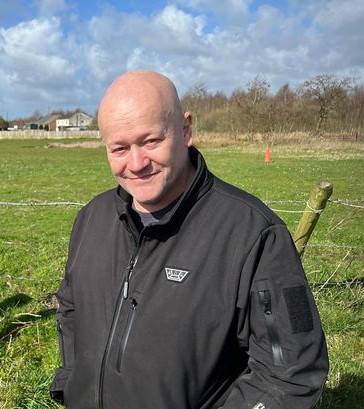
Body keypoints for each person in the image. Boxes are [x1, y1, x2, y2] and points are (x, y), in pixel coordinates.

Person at [50, 70, 328, 409]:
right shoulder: (91, 219)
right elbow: (71, 308)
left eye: (151, 141)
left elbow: (291, 374)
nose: (136, 164)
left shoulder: (254, 234)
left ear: (186, 130)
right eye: (119, 148)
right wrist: (69, 382)